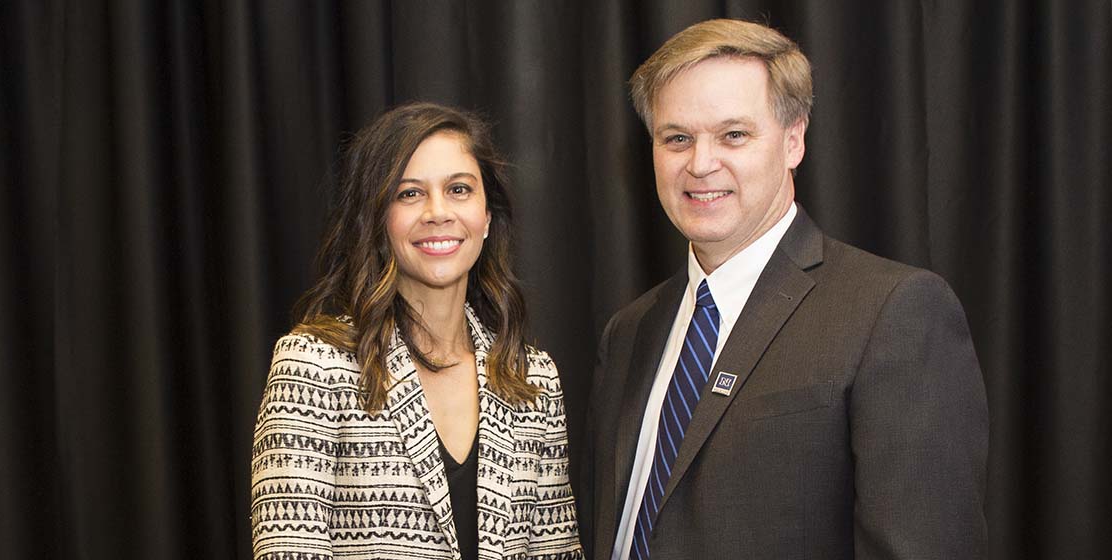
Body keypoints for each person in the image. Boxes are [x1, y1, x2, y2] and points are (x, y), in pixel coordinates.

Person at [578, 19, 988, 559]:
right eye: (677, 138)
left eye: (733, 135)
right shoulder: (630, 331)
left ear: (794, 140)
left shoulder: (891, 312)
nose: (701, 164)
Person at [251, 102, 583, 560]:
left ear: (487, 217)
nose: (437, 212)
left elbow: (557, 552)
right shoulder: (313, 364)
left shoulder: (533, 379)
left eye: (459, 189)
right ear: (377, 219)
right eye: (409, 194)